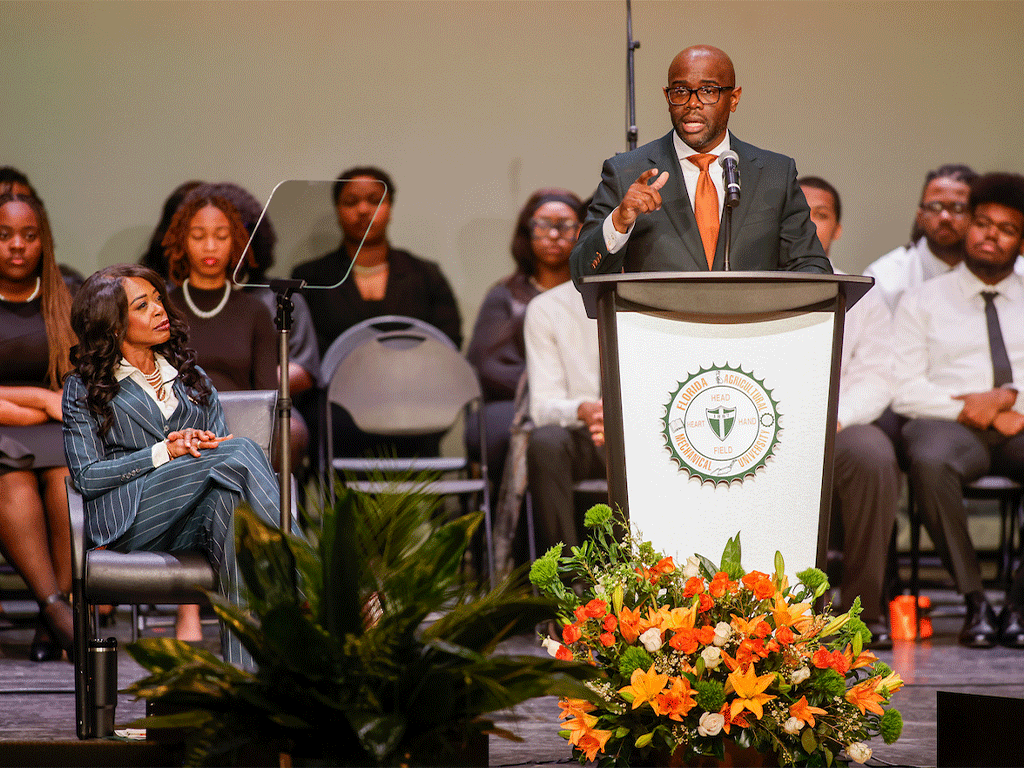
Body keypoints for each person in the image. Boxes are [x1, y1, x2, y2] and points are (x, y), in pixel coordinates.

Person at [62, 264, 282, 667]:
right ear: (113, 326)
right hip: (135, 520)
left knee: (231, 511)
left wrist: (201, 443)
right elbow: (87, 476)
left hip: (193, 517)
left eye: (158, 299)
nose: (160, 310)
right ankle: (313, 583)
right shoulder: (84, 388)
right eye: (143, 305)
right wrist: (164, 451)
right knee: (243, 452)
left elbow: (220, 450)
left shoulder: (189, 376)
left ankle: (244, 693)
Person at [893, 172, 1024, 649]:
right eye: (983, 222)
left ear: (1021, 242)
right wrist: (978, 408)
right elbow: (904, 389)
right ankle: (976, 604)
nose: (990, 235)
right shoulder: (922, 300)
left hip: (1018, 425)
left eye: (1006, 229)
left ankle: (1017, 605)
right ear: (968, 226)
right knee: (928, 460)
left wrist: (1011, 400)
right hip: (948, 426)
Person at [571, 45, 831, 283]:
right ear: (667, 96)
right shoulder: (625, 172)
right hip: (660, 330)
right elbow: (583, 274)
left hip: (750, 330)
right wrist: (619, 221)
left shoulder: (775, 174)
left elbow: (811, 266)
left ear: (734, 98)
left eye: (708, 91)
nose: (692, 103)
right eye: (680, 91)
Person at [799, 177, 897, 649]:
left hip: (833, 425)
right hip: (756, 424)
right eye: (795, 211)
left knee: (873, 452)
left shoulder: (861, 292)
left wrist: (832, 418)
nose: (807, 221)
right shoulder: (742, 280)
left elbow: (877, 376)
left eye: (820, 214)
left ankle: (861, 610)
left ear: (836, 229)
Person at [466, 188, 584, 493]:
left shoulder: (593, 294)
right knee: (510, 429)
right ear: (526, 233)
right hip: (515, 401)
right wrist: (549, 387)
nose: (555, 234)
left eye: (566, 225)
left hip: (586, 401)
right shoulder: (505, 295)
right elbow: (486, 366)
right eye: (543, 225)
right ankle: (515, 537)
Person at [0, 191, 76, 661]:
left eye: (29, 235)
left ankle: (58, 609)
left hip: (55, 431)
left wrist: (50, 405)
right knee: (14, 483)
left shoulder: (65, 295)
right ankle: (56, 612)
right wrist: (37, 400)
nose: (17, 245)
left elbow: (81, 387)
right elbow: (53, 398)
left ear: (43, 242)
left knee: (67, 480)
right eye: (4, 235)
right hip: (9, 429)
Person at [291, 166, 462, 355]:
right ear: (338, 210)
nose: (363, 210)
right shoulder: (310, 277)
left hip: (415, 379)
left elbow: (448, 343)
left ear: (390, 209)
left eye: (375, 201)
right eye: (351, 202)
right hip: (336, 381)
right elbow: (304, 352)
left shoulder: (426, 275)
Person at [524, 279, 603, 555]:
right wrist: (584, 410)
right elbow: (543, 407)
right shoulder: (547, 307)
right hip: (586, 434)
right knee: (545, 442)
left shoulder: (660, 297)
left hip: (646, 434)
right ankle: (567, 579)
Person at [864, 164, 980, 312]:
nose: (945, 217)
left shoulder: (1013, 272)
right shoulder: (883, 278)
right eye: (935, 207)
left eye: (958, 208)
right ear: (920, 216)